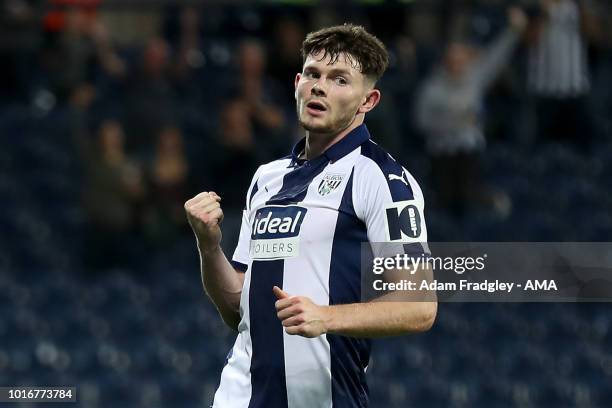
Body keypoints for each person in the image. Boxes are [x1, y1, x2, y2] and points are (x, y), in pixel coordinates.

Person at [184, 24, 437, 408]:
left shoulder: (384, 180)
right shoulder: (266, 178)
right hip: (239, 397)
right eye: (314, 75)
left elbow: (419, 307)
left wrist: (327, 317)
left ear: (368, 101)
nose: (320, 86)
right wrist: (208, 245)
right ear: (298, 82)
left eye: (339, 80)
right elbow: (237, 309)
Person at [415, 7, 527, 216]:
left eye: (462, 57)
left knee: (471, 201)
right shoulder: (432, 88)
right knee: (445, 205)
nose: (458, 63)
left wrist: (514, 31)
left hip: (469, 154)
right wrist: (454, 121)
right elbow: (422, 122)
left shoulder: (474, 77)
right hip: (442, 155)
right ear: (445, 60)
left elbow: (497, 57)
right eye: (453, 58)